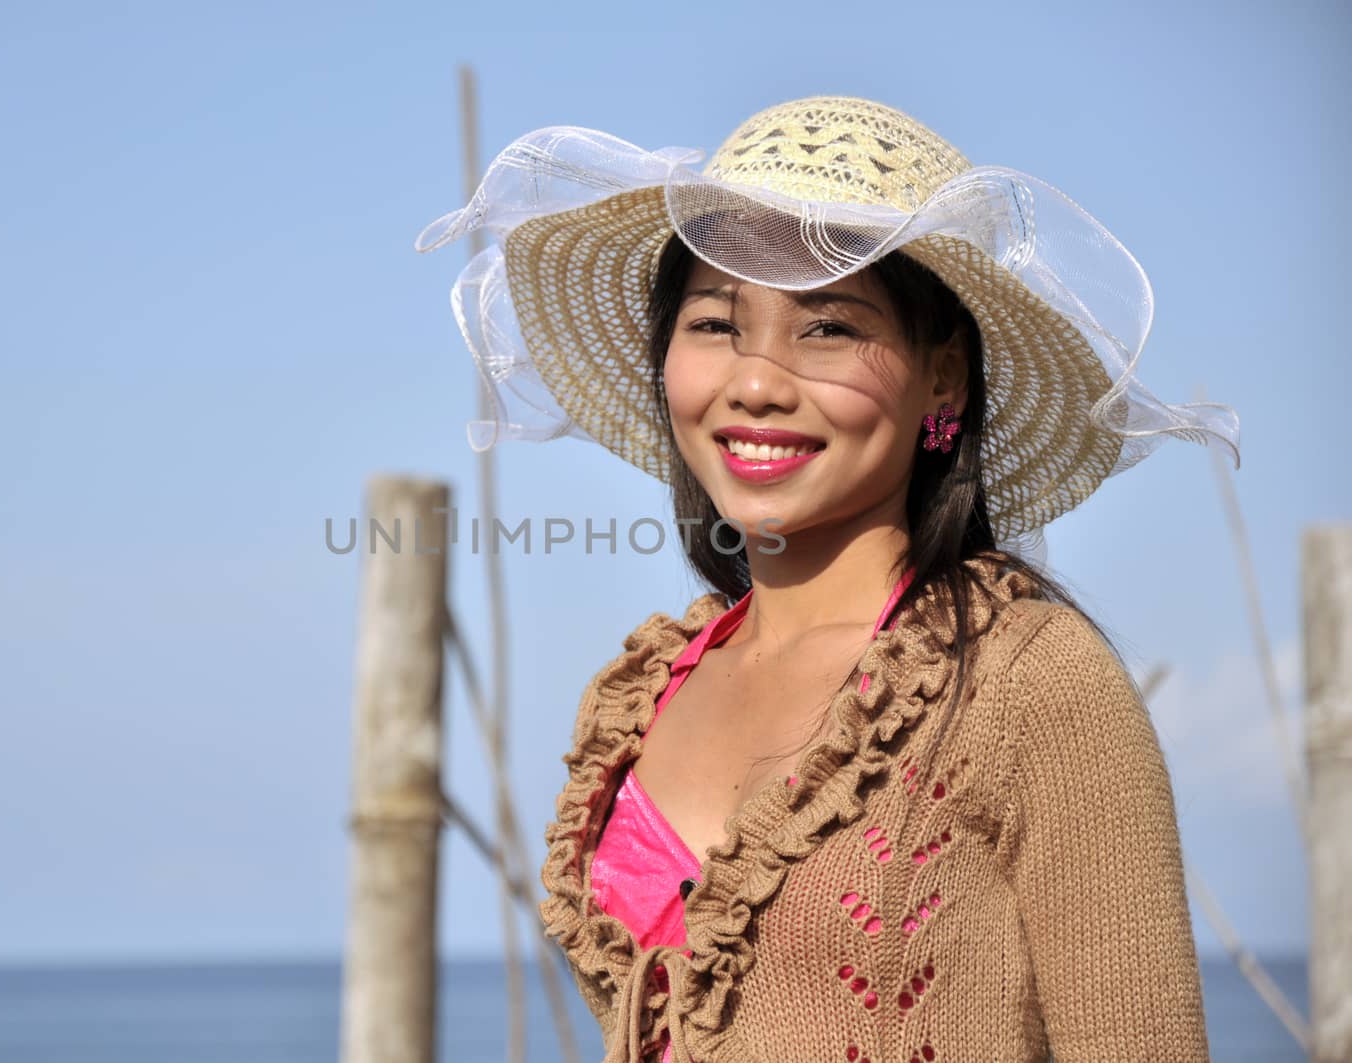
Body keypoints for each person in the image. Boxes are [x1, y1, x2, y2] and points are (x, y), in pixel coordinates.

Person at [416, 96, 1238, 1063]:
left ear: (945, 378)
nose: (757, 381)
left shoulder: (1027, 683)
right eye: (717, 321)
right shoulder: (648, 693)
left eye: (828, 328)